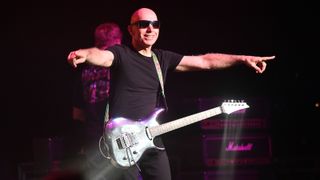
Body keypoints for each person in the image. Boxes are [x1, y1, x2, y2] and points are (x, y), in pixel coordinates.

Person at [67, 7, 275, 180]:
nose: (150, 29)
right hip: (121, 140)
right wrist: (83, 54)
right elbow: (100, 56)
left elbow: (206, 61)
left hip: (150, 138)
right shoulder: (121, 54)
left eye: (155, 25)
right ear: (130, 29)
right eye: (143, 24)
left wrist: (242, 59)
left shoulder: (162, 59)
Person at [67, 22, 123, 179]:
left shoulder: (84, 70)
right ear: (117, 40)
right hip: (122, 135)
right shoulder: (121, 64)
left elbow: (77, 114)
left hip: (94, 139)